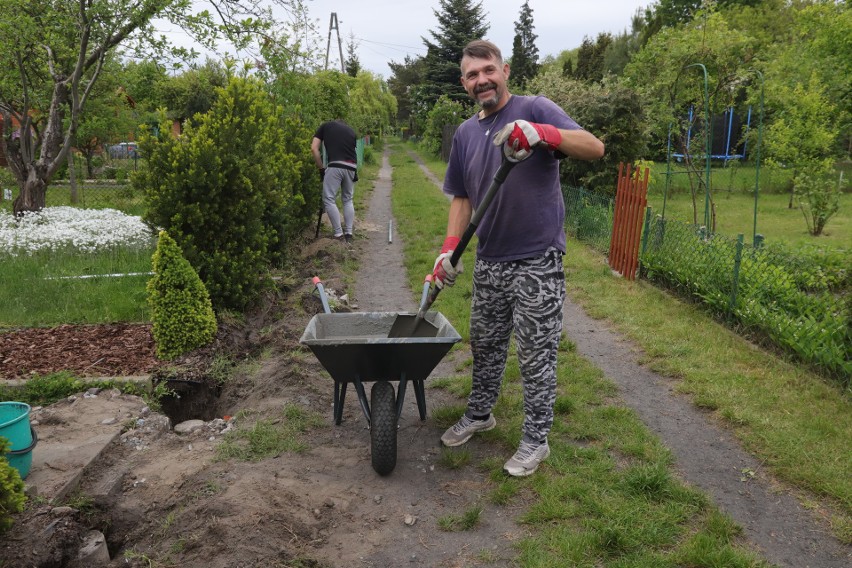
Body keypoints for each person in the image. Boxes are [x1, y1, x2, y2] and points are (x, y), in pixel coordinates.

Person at [435, 40, 605, 477]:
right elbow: (462, 198)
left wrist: (544, 134)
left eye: (488, 70)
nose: (481, 80)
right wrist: (448, 251)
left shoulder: (536, 107)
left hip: (537, 258)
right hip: (490, 259)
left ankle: (536, 439)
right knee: (487, 345)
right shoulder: (465, 133)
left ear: (505, 70)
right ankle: (480, 413)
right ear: (464, 83)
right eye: (472, 75)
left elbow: (593, 147)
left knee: (536, 354)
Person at [311, 119, 358, 243]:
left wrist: (321, 169)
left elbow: (314, 149)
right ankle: (348, 234)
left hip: (335, 165)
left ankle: (338, 234)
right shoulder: (351, 131)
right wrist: (355, 172)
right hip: (351, 166)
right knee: (348, 199)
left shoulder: (325, 126)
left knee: (328, 199)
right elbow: (352, 153)